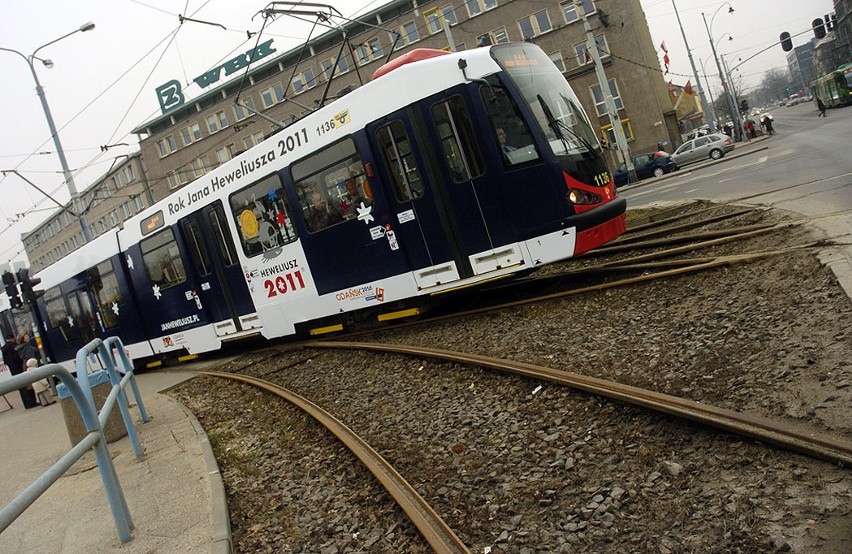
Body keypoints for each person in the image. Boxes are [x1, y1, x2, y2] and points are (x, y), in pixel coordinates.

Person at [2, 334, 37, 409]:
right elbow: (19, 357)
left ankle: (26, 404)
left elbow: (6, 362)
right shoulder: (15, 346)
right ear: (13, 338)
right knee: (27, 385)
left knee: (21, 388)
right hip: (20, 368)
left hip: (13, 370)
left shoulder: (4, 349)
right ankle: (32, 402)